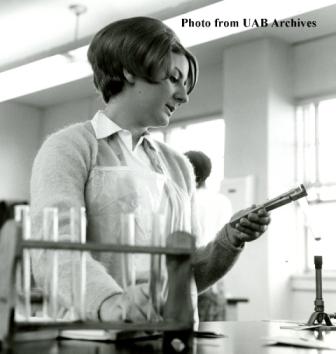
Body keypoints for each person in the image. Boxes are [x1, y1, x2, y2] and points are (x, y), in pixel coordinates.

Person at [30, 16, 271, 323]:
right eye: (174, 79)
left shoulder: (177, 166)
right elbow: (53, 251)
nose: (183, 96)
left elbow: (185, 274)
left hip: (169, 335)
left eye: (185, 85)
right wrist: (110, 303)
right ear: (129, 69)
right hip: (91, 335)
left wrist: (228, 240)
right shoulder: (70, 147)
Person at [185, 150, 232, 321]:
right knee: (213, 335)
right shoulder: (222, 201)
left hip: (189, 270)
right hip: (215, 271)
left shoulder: (184, 199)